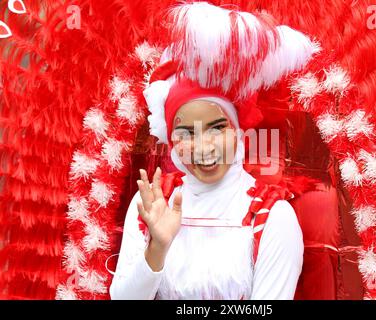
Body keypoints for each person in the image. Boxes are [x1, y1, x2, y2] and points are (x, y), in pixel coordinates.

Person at [109, 2, 318, 300]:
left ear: (238, 131)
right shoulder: (152, 206)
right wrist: (157, 247)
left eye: (217, 128)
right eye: (187, 133)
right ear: (170, 140)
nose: (203, 147)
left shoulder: (272, 217)